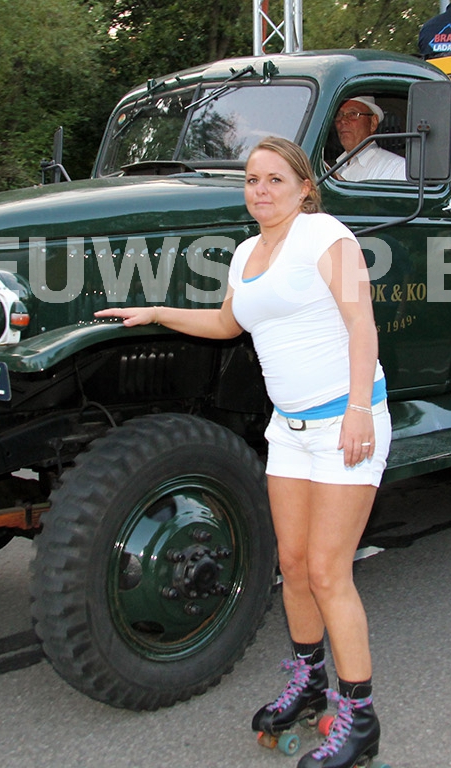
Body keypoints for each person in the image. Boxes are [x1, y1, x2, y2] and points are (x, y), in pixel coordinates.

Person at [95, 137, 389, 768]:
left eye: (275, 179)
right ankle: (309, 684)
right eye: (252, 180)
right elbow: (228, 324)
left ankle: (359, 717)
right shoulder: (247, 253)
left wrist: (361, 409)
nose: (260, 190)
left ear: (304, 187)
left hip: (345, 423)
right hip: (290, 431)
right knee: (294, 565)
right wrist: (156, 312)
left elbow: (361, 324)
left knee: (329, 573)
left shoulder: (324, 236)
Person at [332, 97, 405, 181]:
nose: (343, 121)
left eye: (353, 114)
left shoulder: (396, 168)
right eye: (339, 115)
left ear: (373, 123)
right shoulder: (332, 168)